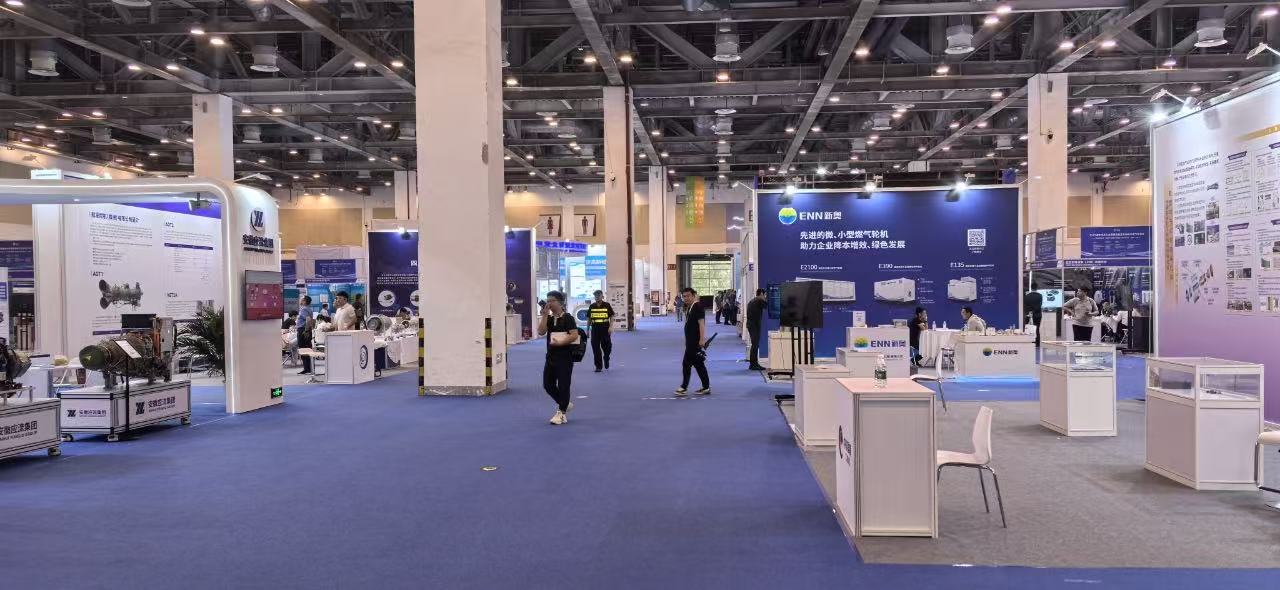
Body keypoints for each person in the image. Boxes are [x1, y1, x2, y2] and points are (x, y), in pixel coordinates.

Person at [538, 291, 578, 425]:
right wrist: (544, 316)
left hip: (565, 357)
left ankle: (561, 412)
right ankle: (564, 403)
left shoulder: (568, 318)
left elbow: (574, 335)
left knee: (563, 385)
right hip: (550, 356)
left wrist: (561, 343)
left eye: (552, 300)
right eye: (547, 300)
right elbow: (541, 331)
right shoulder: (549, 318)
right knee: (548, 384)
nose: (549, 303)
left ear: (560, 302)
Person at [677, 287, 711, 395]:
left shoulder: (697, 306)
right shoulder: (690, 307)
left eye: (688, 296)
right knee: (698, 364)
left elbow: (701, 324)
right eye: (684, 296)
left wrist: (702, 339)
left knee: (686, 363)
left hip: (695, 342)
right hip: (691, 341)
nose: (686, 298)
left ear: (693, 295)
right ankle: (706, 387)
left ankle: (684, 387)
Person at [587, 289, 614, 372]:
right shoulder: (592, 306)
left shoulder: (607, 305)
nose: (597, 297)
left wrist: (611, 327)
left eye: (598, 295)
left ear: (602, 296)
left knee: (607, 347)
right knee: (595, 348)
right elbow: (589, 319)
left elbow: (611, 316)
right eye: (595, 295)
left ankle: (606, 358)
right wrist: (587, 330)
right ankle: (598, 366)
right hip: (595, 329)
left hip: (605, 328)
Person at [746, 289, 767, 371]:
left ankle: (754, 363)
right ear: (761, 294)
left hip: (751, 325)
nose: (765, 297)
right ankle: (753, 364)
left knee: (755, 344)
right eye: (764, 295)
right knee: (755, 345)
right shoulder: (759, 300)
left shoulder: (753, 300)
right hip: (754, 325)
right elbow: (767, 306)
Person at [297, 296, 314, 375]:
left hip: (303, 330)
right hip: (306, 330)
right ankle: (309, 368)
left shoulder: (304, 309)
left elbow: (308, 320)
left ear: (304, 301)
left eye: (301, 299)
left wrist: (306, 330)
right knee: (307, 348)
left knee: (303, 349)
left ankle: (307, 369)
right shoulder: (309, 309)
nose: (299, 300)